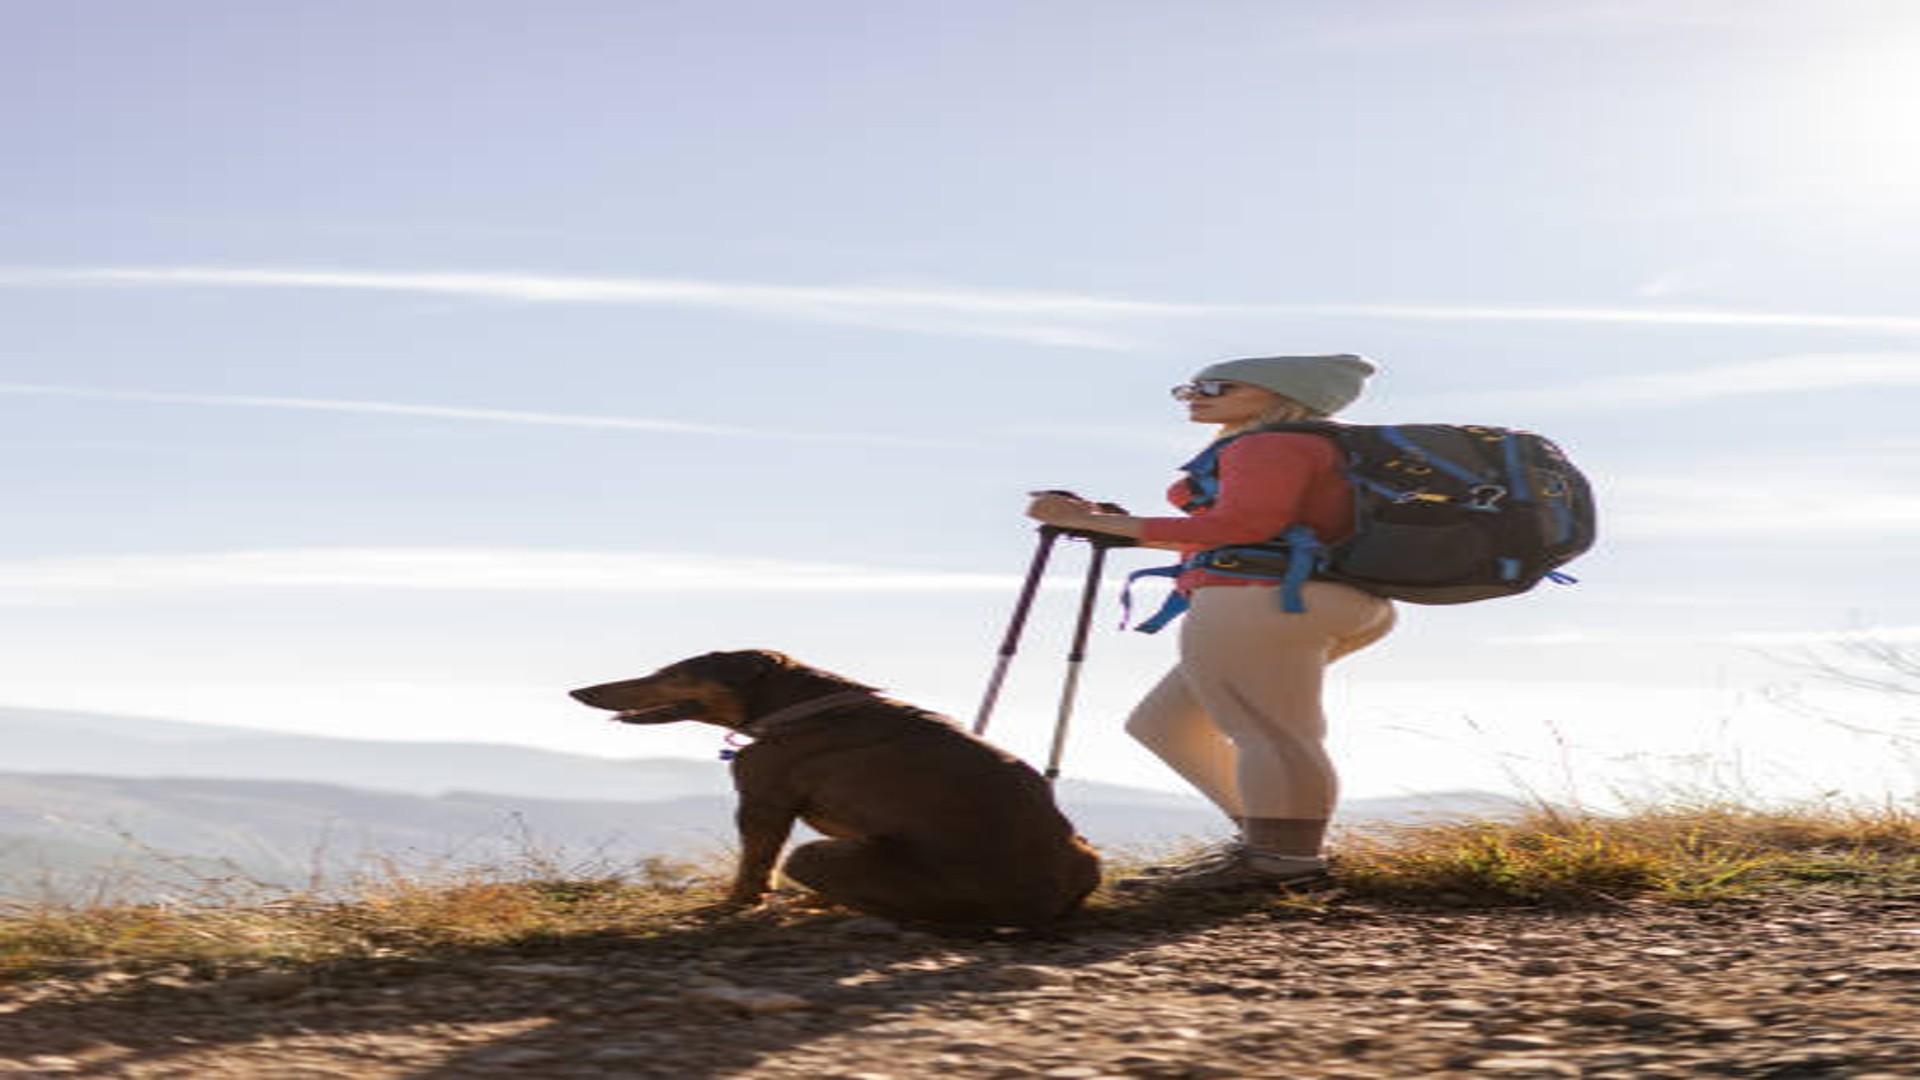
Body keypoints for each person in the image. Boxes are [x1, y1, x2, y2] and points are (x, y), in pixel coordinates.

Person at [1024, 354, 1395, 891]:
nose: (1196, 396)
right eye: (1190, 387)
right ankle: (1270, 845)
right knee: (1166, 724)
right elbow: (1243, 529)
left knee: (1271, 732)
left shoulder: (1263, 445)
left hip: (1258, 599)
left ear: (1281, 394)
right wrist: (1106, 523)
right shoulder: (1325, 448)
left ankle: (1283, 863)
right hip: (1332, 598)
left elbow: (1244, 526)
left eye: (1218, 387)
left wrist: (1094, 523)